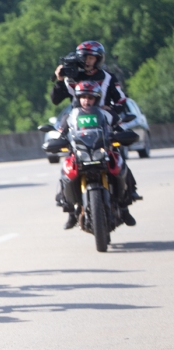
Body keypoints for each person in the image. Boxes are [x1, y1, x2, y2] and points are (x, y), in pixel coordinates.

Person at [52, 41, 140, 225]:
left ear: (98, 59)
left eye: (91, 57)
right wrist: (60, 79)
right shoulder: (73, 76)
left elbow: (121, 100)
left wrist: (112, 108)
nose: (88, 61)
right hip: (79, 123)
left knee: (117, 156)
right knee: (69, 157)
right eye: (85, 57)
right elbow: (56, 99)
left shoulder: (108, 77)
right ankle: (70, 206)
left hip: (104, 121)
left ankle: (125, 204)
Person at [58, 81, 136, 229]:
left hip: (103, 152)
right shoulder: (70, 116)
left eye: (90, 97)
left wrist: (122, 135)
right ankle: (70, 210)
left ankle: (125, 208)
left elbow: (120, 127)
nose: (86, 100)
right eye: (83, 97)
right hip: (80, 154)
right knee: (66, 171)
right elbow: (61, 133)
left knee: (121, 165)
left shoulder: (106, 113)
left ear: (97, 99)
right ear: (78, 98)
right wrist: (59, 142)